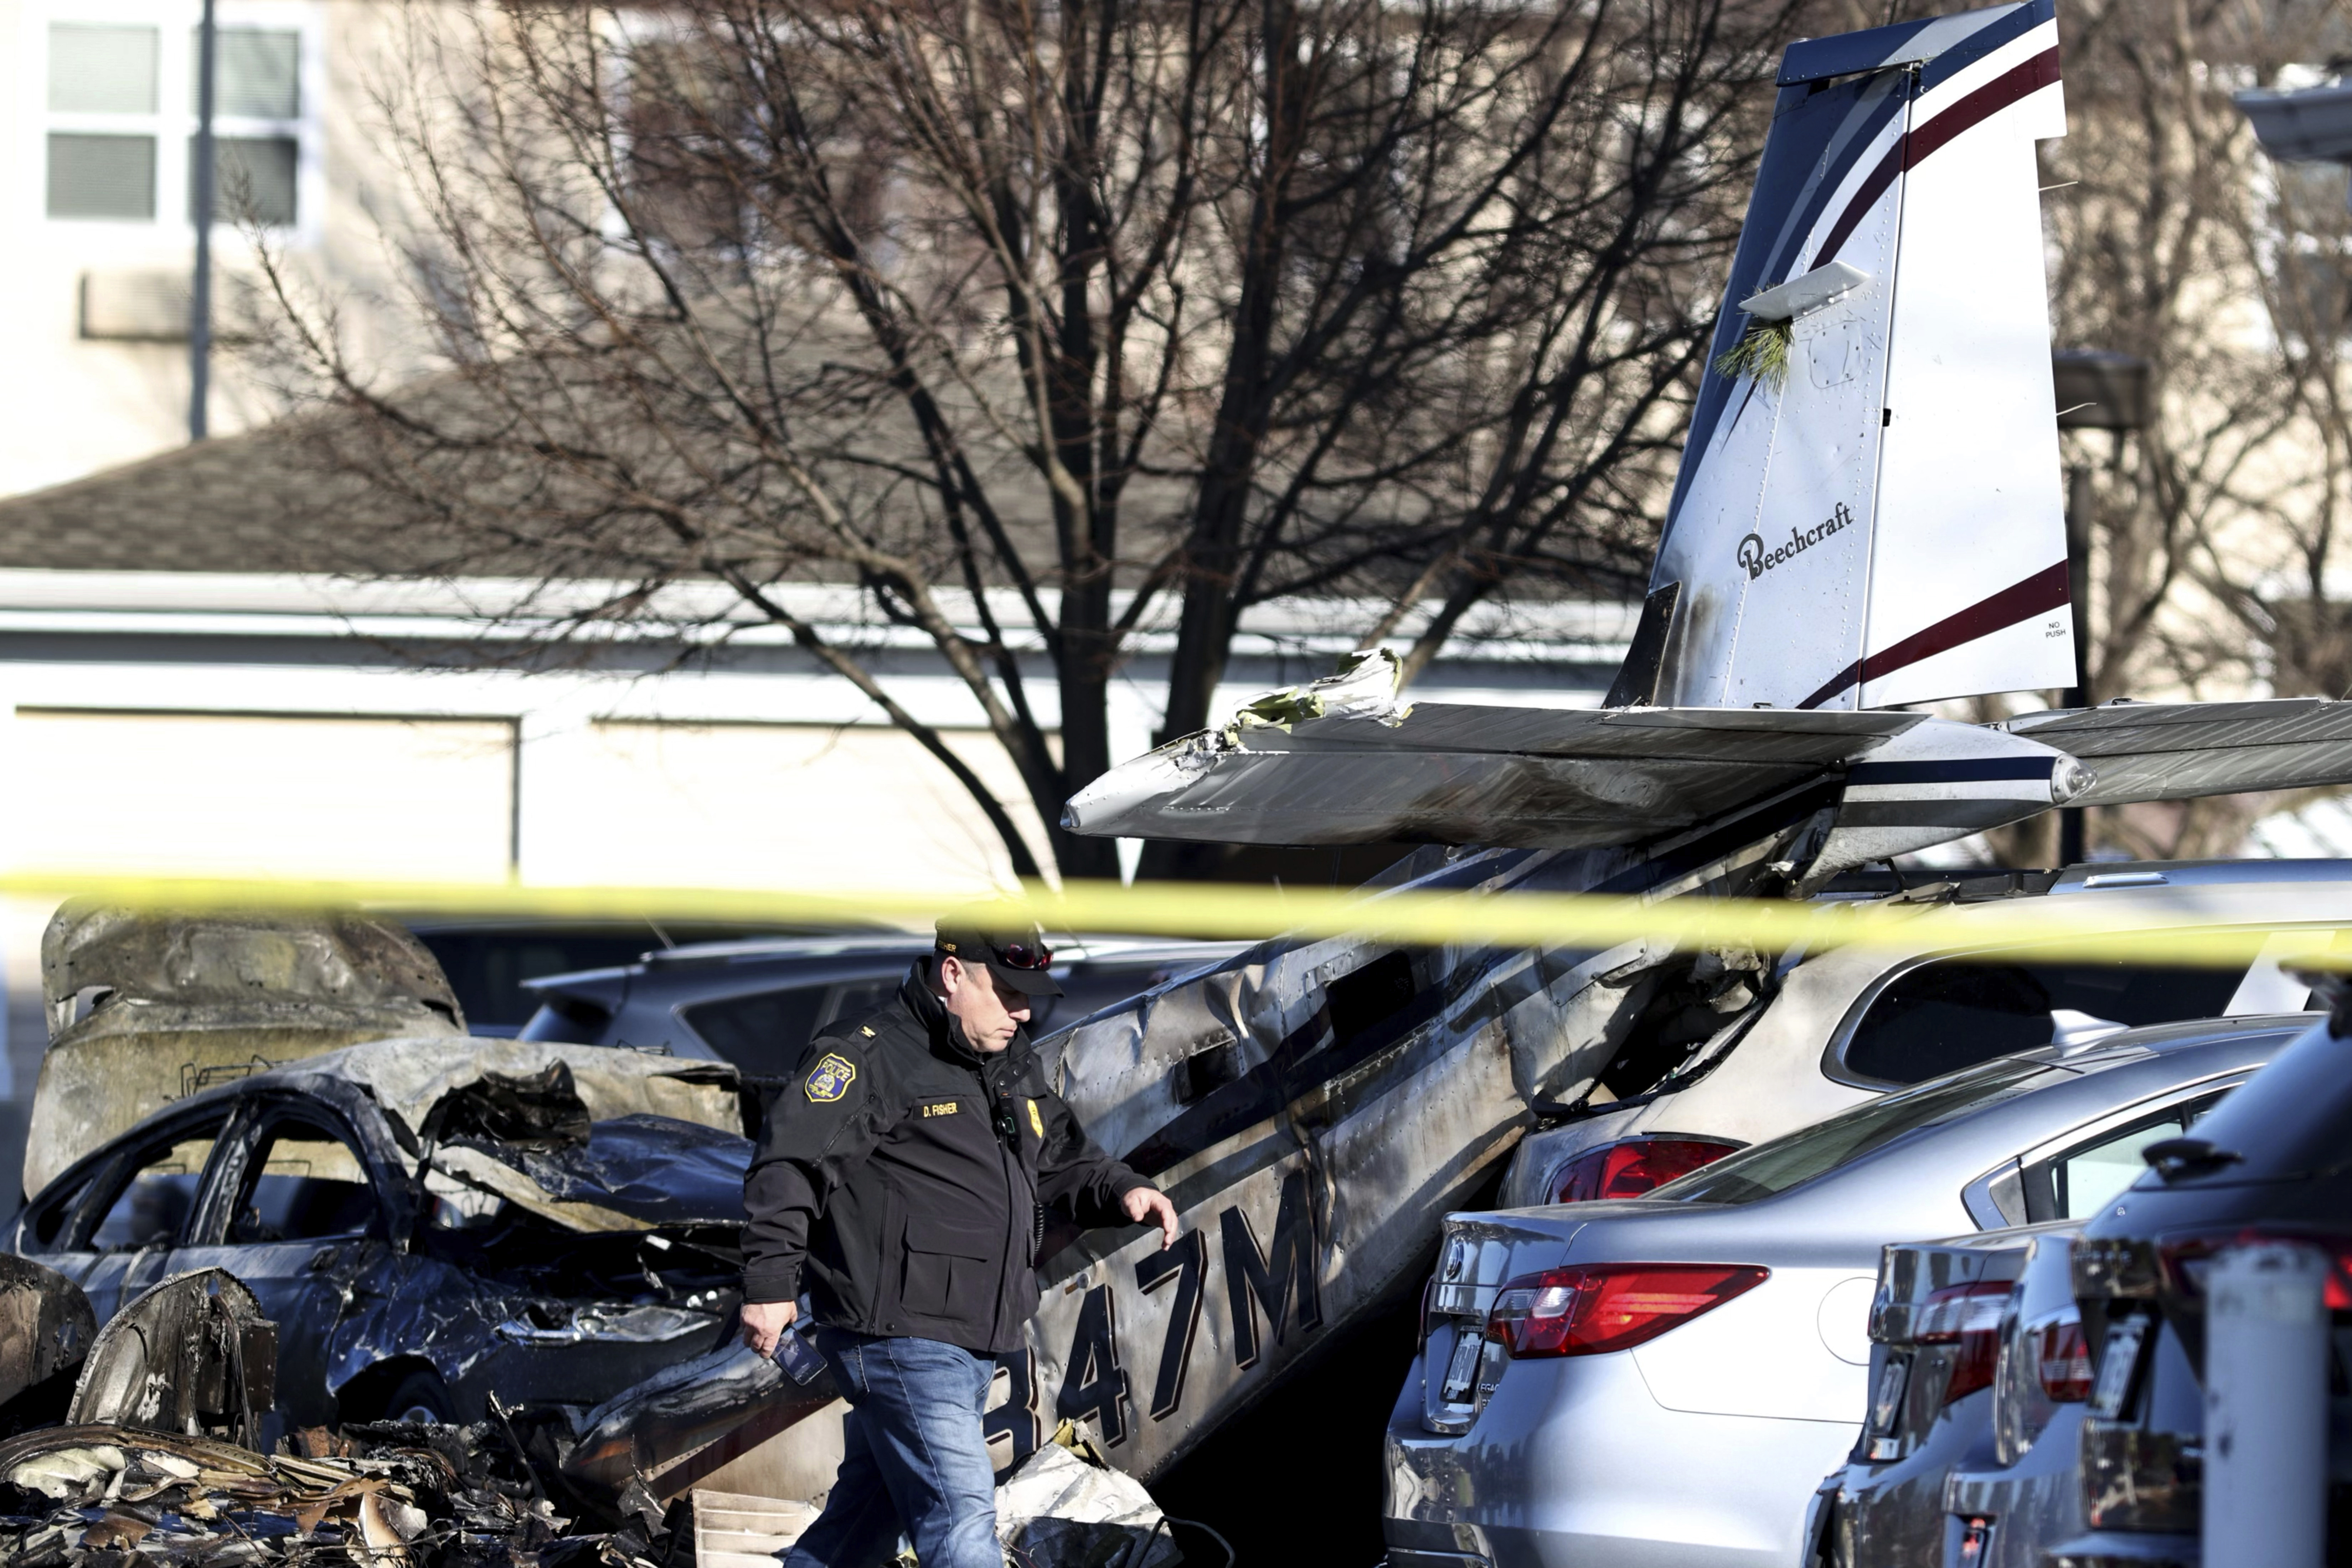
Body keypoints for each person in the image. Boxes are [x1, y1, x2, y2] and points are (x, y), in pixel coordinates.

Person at [740, 917, 1180, 1568]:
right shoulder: (868, 1055)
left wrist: (1121, 1188)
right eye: (1007, 993)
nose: (1024, 1011)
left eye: (1030, 995)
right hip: (898, 1334)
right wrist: (771, 1286)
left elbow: (1058, 1152)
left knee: (863, 1522)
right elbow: (788, 1166)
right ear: (953, 975)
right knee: (960, 1519)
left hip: (971, 1330)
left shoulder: (1005, 1060)